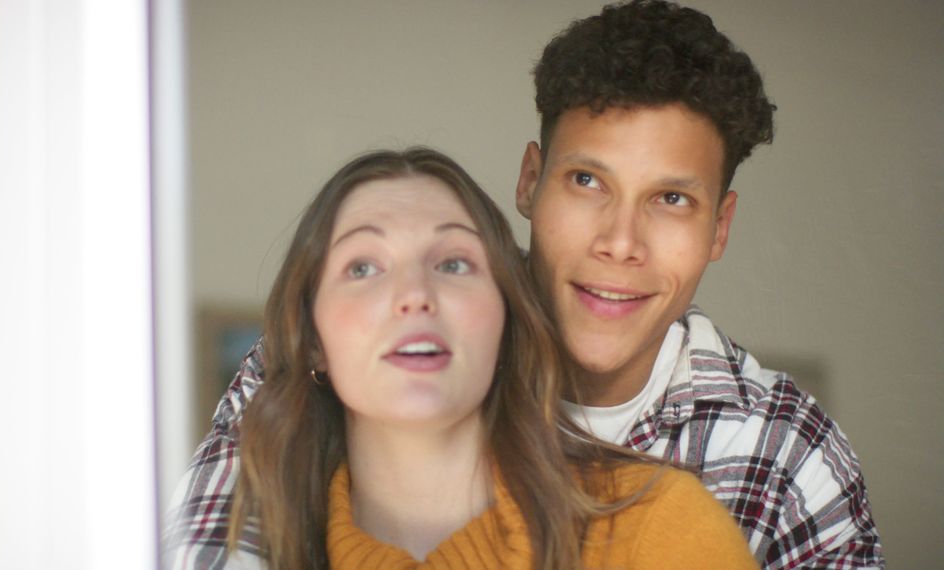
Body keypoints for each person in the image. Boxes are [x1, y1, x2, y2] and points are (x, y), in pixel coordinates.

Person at [168, 1, 883, 568]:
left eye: (671, 200)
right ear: (529, 180)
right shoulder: (343, 359)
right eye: (586, 181)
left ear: (720, 227)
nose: (620, 243)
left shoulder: (788, 453)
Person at [165, 147, 756, 569]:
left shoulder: (662, 529)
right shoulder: (250, 545)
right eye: (363, 267)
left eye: (453, 263)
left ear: (506, 318)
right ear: (314, 339)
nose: (414, 295)